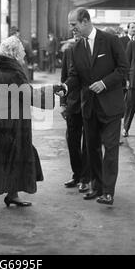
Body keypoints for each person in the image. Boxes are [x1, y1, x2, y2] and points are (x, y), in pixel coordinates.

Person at [0, 36, 56, 212]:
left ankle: (13, 194)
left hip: (0, 123)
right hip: (8, 126)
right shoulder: (14, 72)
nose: (24, 53)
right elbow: (28, 94)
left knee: (15, 157)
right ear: (15, 53)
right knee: (0, 164)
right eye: (22, 50)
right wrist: (53, 94)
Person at [63, 8, 129, 206]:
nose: (71, 28)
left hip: (110, 106)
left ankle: (108, 191)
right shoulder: (76, 48)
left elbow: (123, 69)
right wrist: (65, 87)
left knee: (110, 149)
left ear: (85, 21)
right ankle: (97, 186)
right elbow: (75, 76)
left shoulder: (110, 40)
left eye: (74, 25)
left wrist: (105, 83)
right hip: (89, 107)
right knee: (92, 150)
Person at [61, 38, 90, 194]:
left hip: (90, 103)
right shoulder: (68, 51)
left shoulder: (93, 51)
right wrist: (63, 103)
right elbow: (64, 78)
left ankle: (86, 178)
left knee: (88, 142)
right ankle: (77, 174)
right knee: (72, 141)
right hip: (73, 104)